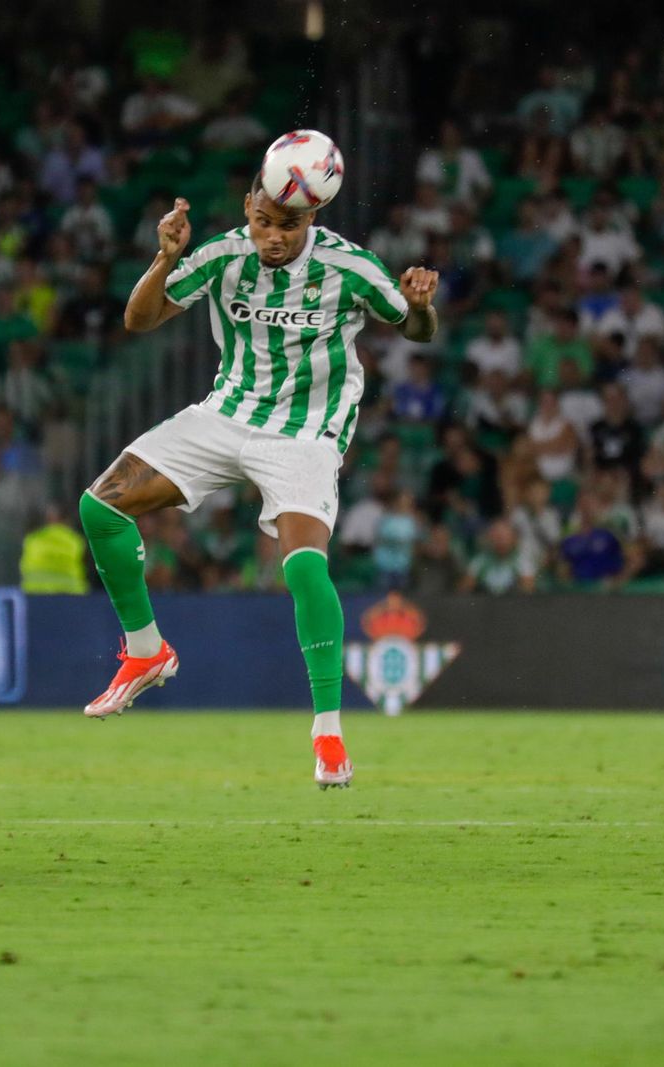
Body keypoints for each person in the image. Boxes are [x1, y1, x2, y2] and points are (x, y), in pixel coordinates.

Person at [82, 172, 439, 789]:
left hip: (305, 432)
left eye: (289, 225)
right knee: (100, 506)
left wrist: (422, 305)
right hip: (226, 413)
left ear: (314, 216)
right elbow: (140, 320)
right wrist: (163, 261)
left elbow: (414, 330)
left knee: (302, 567)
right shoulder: (221, 255)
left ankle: (328, 731)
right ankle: (146, 650)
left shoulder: (350, 267)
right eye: (263, 221)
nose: (272, 238)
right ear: (248, 206)